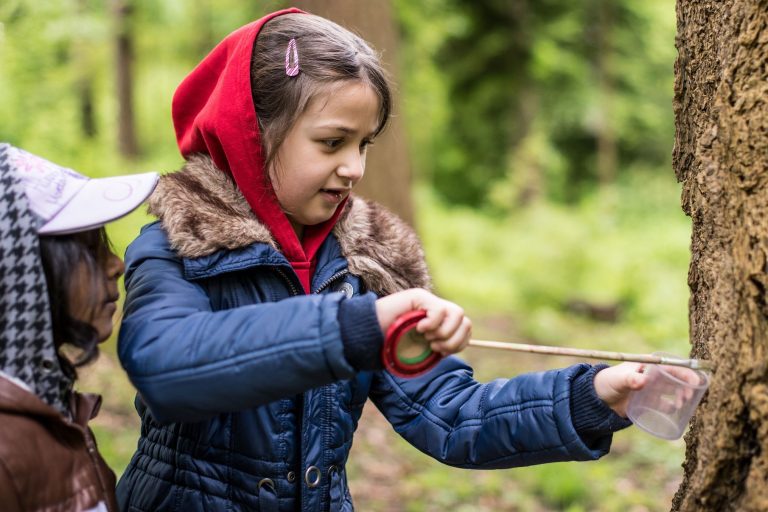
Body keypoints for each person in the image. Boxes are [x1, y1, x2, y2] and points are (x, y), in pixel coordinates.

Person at [115, 8, 648, 511]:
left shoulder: (363, 264)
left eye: (364, 144)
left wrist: (591, 396)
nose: (354, 168)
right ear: (250, 133)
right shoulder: (181, 245)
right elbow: (165, 368)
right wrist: (354, 329)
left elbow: (451, 413)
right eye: (331, 142)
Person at [0, 143, 158, 511]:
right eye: (88, 249)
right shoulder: (9, 447)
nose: (116, 264)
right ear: (19, 270)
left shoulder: (45, 406)